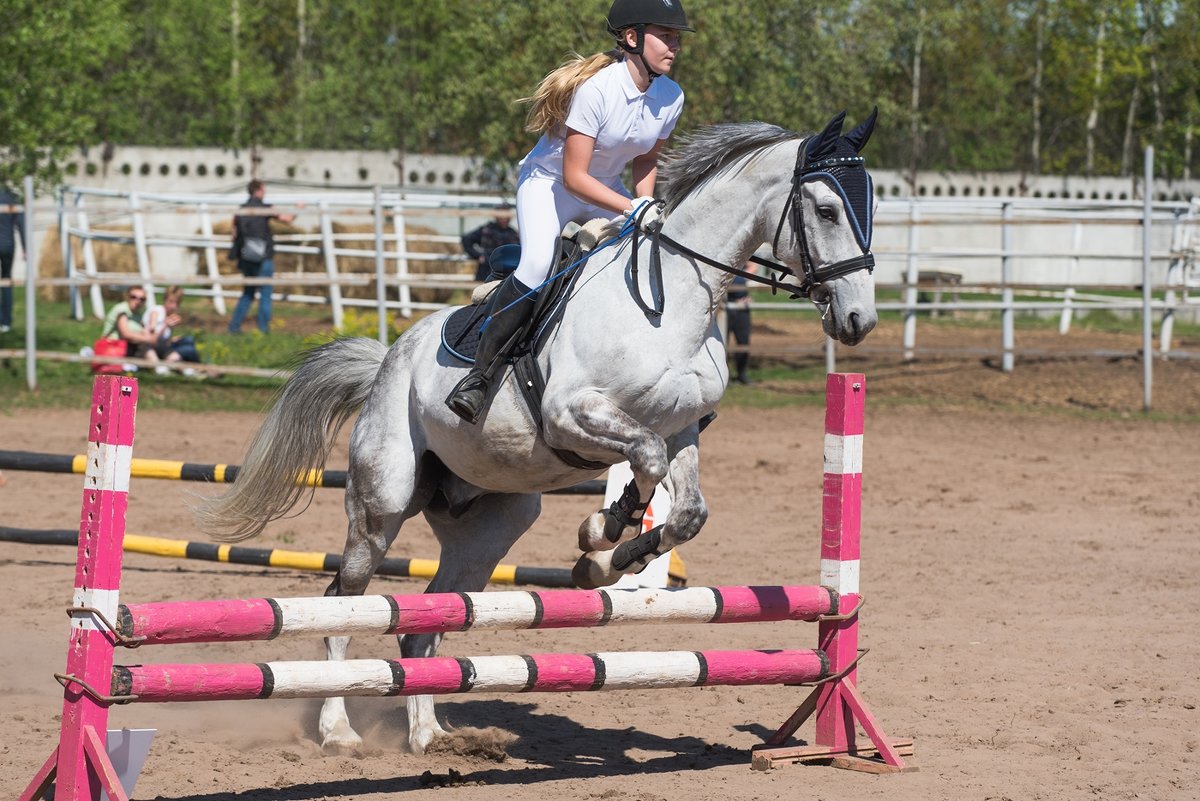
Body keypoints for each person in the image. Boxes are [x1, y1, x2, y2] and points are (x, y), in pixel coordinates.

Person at [446, 0, 692, 423]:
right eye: (664, 36)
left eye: (676, 38)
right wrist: (632, 206)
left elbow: (646, 161)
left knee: (649, 258)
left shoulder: (671, 96)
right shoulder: (597, 89)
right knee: (540, 263)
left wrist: (645, 203)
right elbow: (575, 176)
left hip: (607, 191)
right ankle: (478, 378)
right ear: (632, 38)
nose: (674, 46)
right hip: (551, 185)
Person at [228, 180, 296, 334]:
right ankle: (263, 330)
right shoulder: (266, 208)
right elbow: (287, 219)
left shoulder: (240, 210)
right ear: (258, 191)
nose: (265, 193)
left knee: (247, 293)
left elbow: (233, 234)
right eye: (263, 190)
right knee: (265, 293)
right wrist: (299, 209)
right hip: (263, 257)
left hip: (246, 258)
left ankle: (234, 327)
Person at [144, 285, 201, 374]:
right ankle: (197, 368)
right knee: (190, 349)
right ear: (165, 299)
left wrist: (172, 339)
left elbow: (164, 340)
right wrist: (165, 325)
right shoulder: (156, 312)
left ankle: (192, 367)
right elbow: (153, 339)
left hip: (163, 346)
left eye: (177, 303)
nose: (173, 306)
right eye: (171, 301)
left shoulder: (169, 315)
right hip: (152, 348)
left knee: (189, 340)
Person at [99, 287, 161, 368]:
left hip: (127, 348)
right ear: (127, 297)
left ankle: (157, 368)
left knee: (151, 346)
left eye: (142, 299)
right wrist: (147, 339)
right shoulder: (122, 310)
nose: (137, 301)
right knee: (145, 346)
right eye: (133, 297)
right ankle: (158, 368)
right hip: (113, 347)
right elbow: (125, 334)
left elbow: (144, 331)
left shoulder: (138, 315)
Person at [462, 204, 521, 282]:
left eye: (506, 216)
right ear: (496, 216)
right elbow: (466, 239)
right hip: (487, 269)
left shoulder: (513, 234)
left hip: (507, 273)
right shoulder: (486, 230)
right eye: (501, 216)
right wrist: (478, 255)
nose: (504, 219)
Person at [0, 185, 25, 334]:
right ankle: (6, 322)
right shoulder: (12, 198)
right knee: (7, 280)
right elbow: (21, 224)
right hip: (8, 244)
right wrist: (25, 246)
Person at [727, 262, 757, 385]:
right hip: (725, 305)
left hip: (741, 306)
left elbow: (753, 265)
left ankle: (742, 374)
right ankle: (725, 376)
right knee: (722, 342)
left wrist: (743, 276)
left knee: (743, 341)